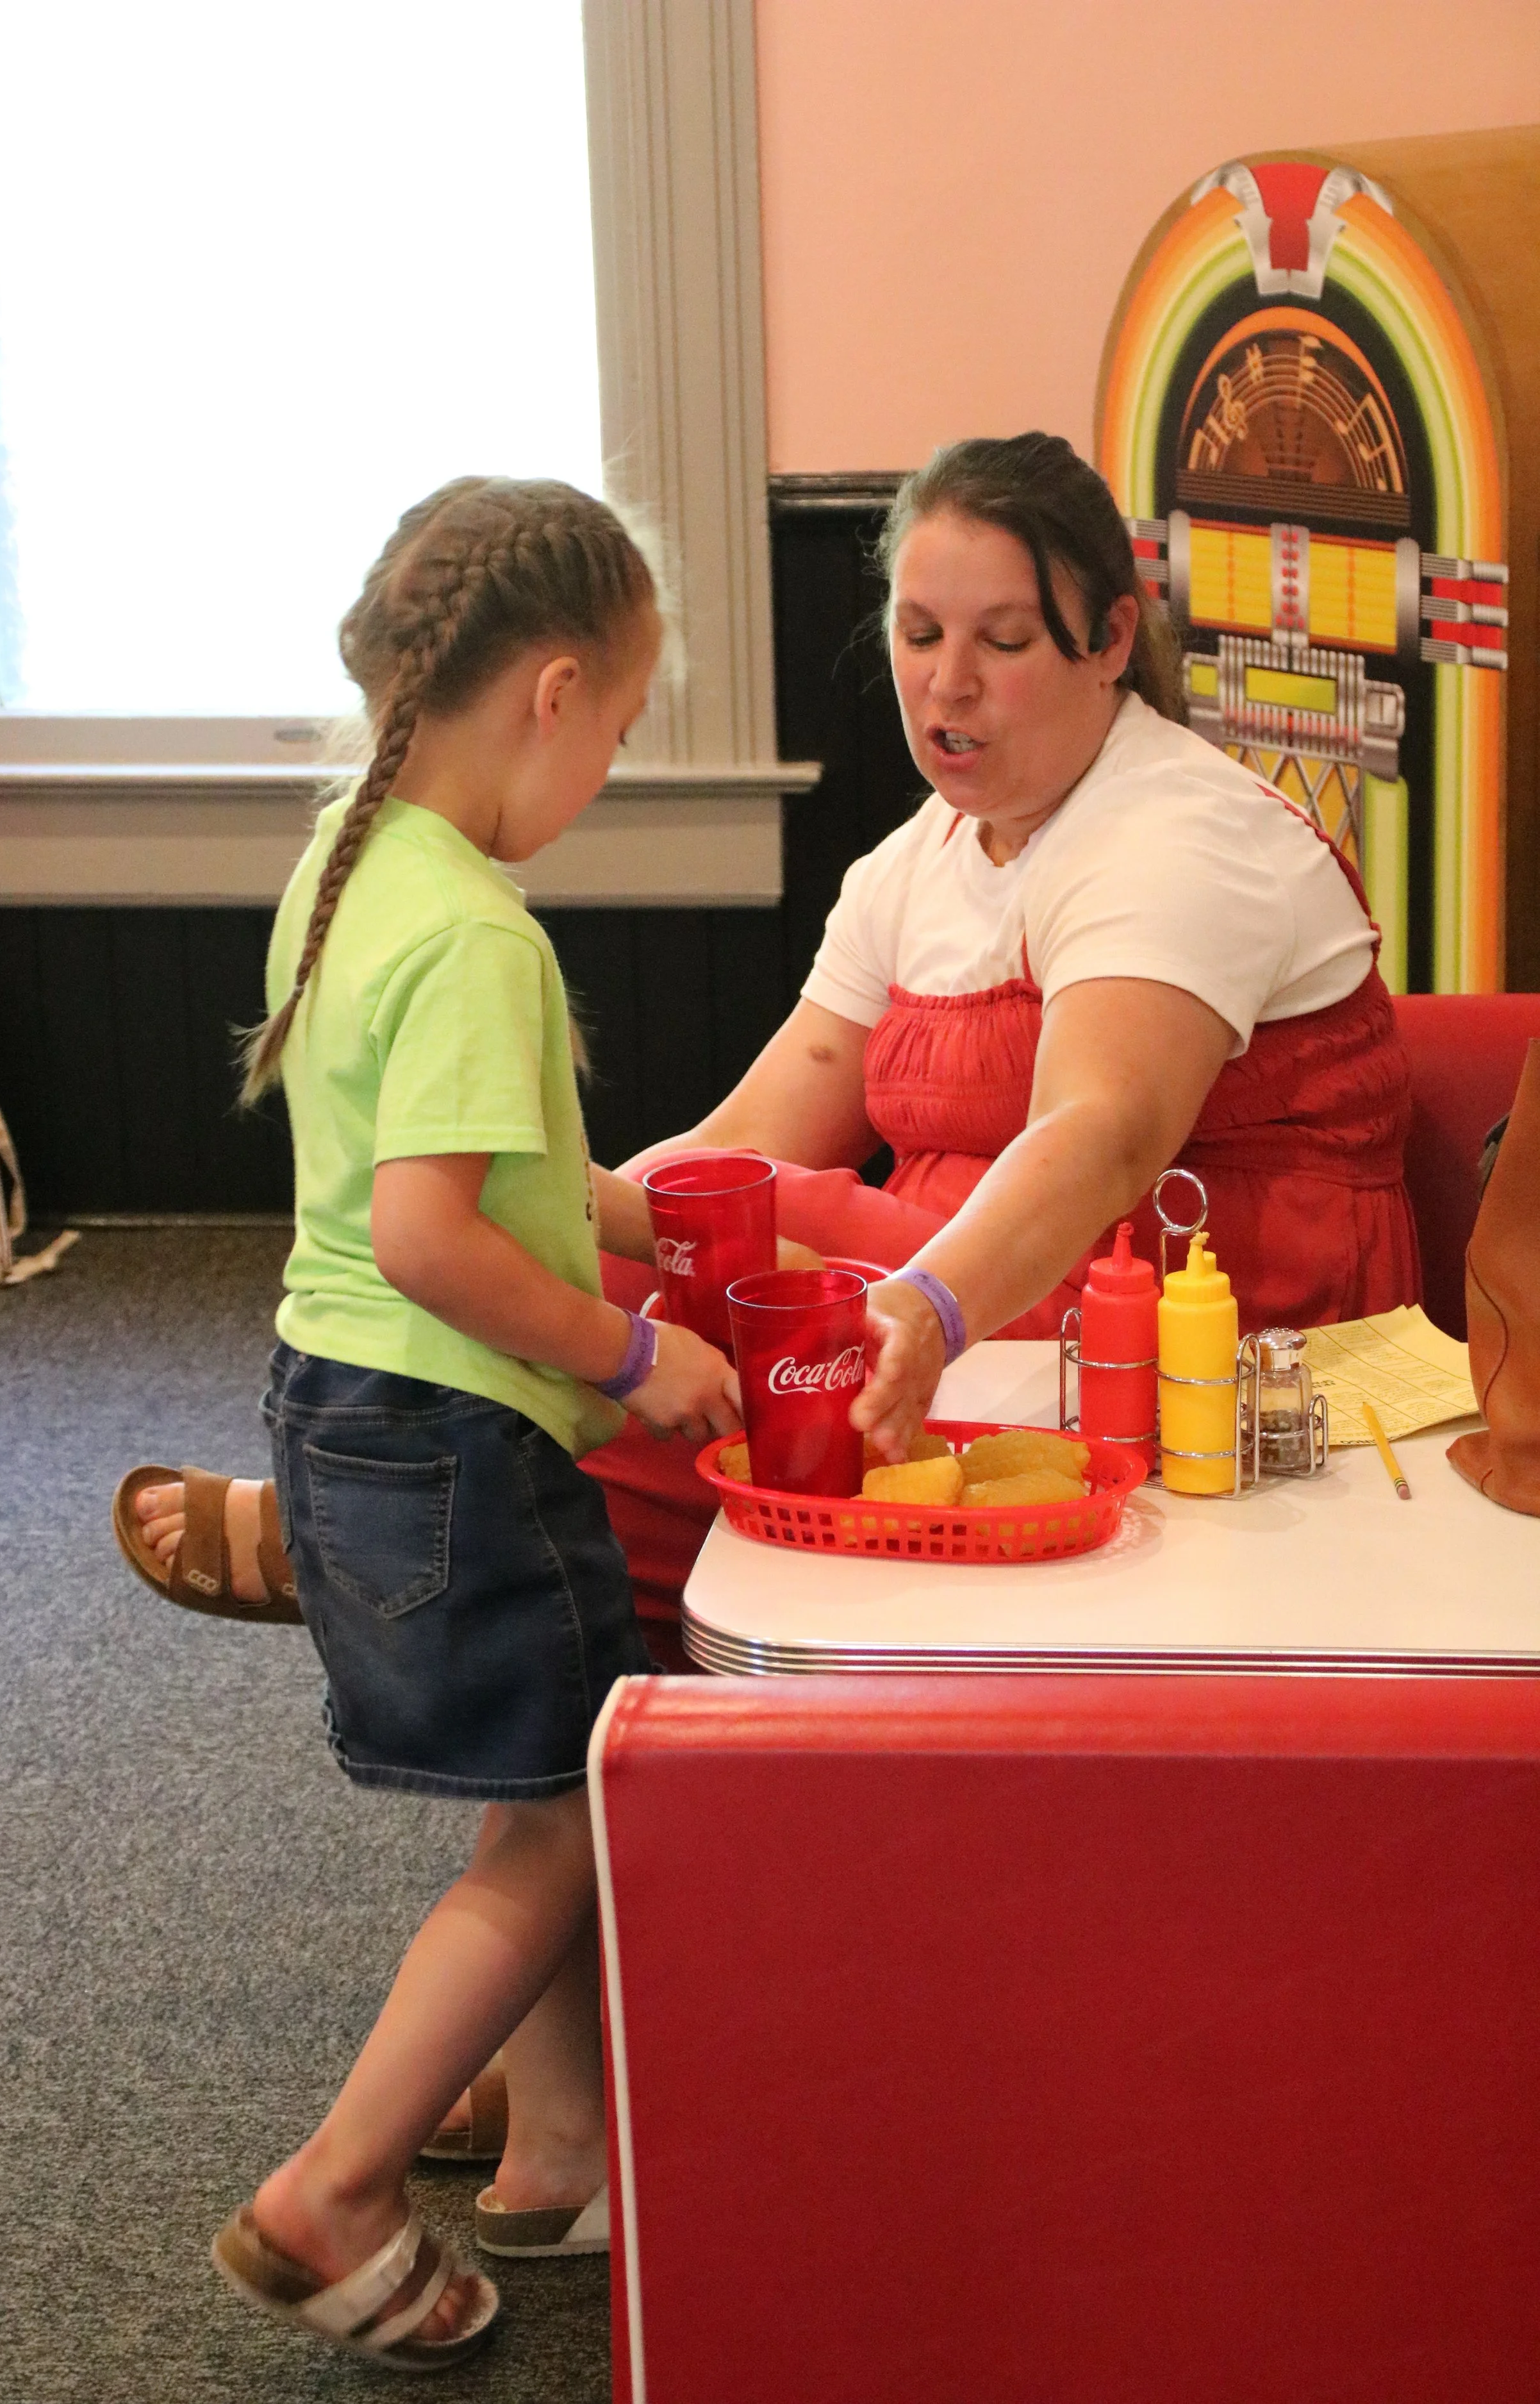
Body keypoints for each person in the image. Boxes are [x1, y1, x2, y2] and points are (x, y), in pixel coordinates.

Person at [122, 431, 1420, 1633]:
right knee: (667, 1216)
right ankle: (415, 1516)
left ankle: (392, 1529)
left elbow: (1106, 1133)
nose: (945, 681)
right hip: (950, 1296)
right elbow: (752, 1129)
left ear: (1106, 639)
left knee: (721, 1242)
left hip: (1165, 1328)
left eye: (1003, 641)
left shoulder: (1176, 835)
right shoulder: (918, 859)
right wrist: (545, 1217)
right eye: (915, 633)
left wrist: (929, 1301)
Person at [197, 476, 740, 2371]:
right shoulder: (482, 936)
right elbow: (435, 1238)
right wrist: (627, 1348)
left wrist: (645, 1213)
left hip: (337, 1402)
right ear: (558, 690)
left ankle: (551, 2155)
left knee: (542, 1778)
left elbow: (434, 1174)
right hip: (455, 1429)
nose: (605, 769)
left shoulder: (352, 848)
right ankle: (338, 2180)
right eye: (622, 730)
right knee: (574, 1817)